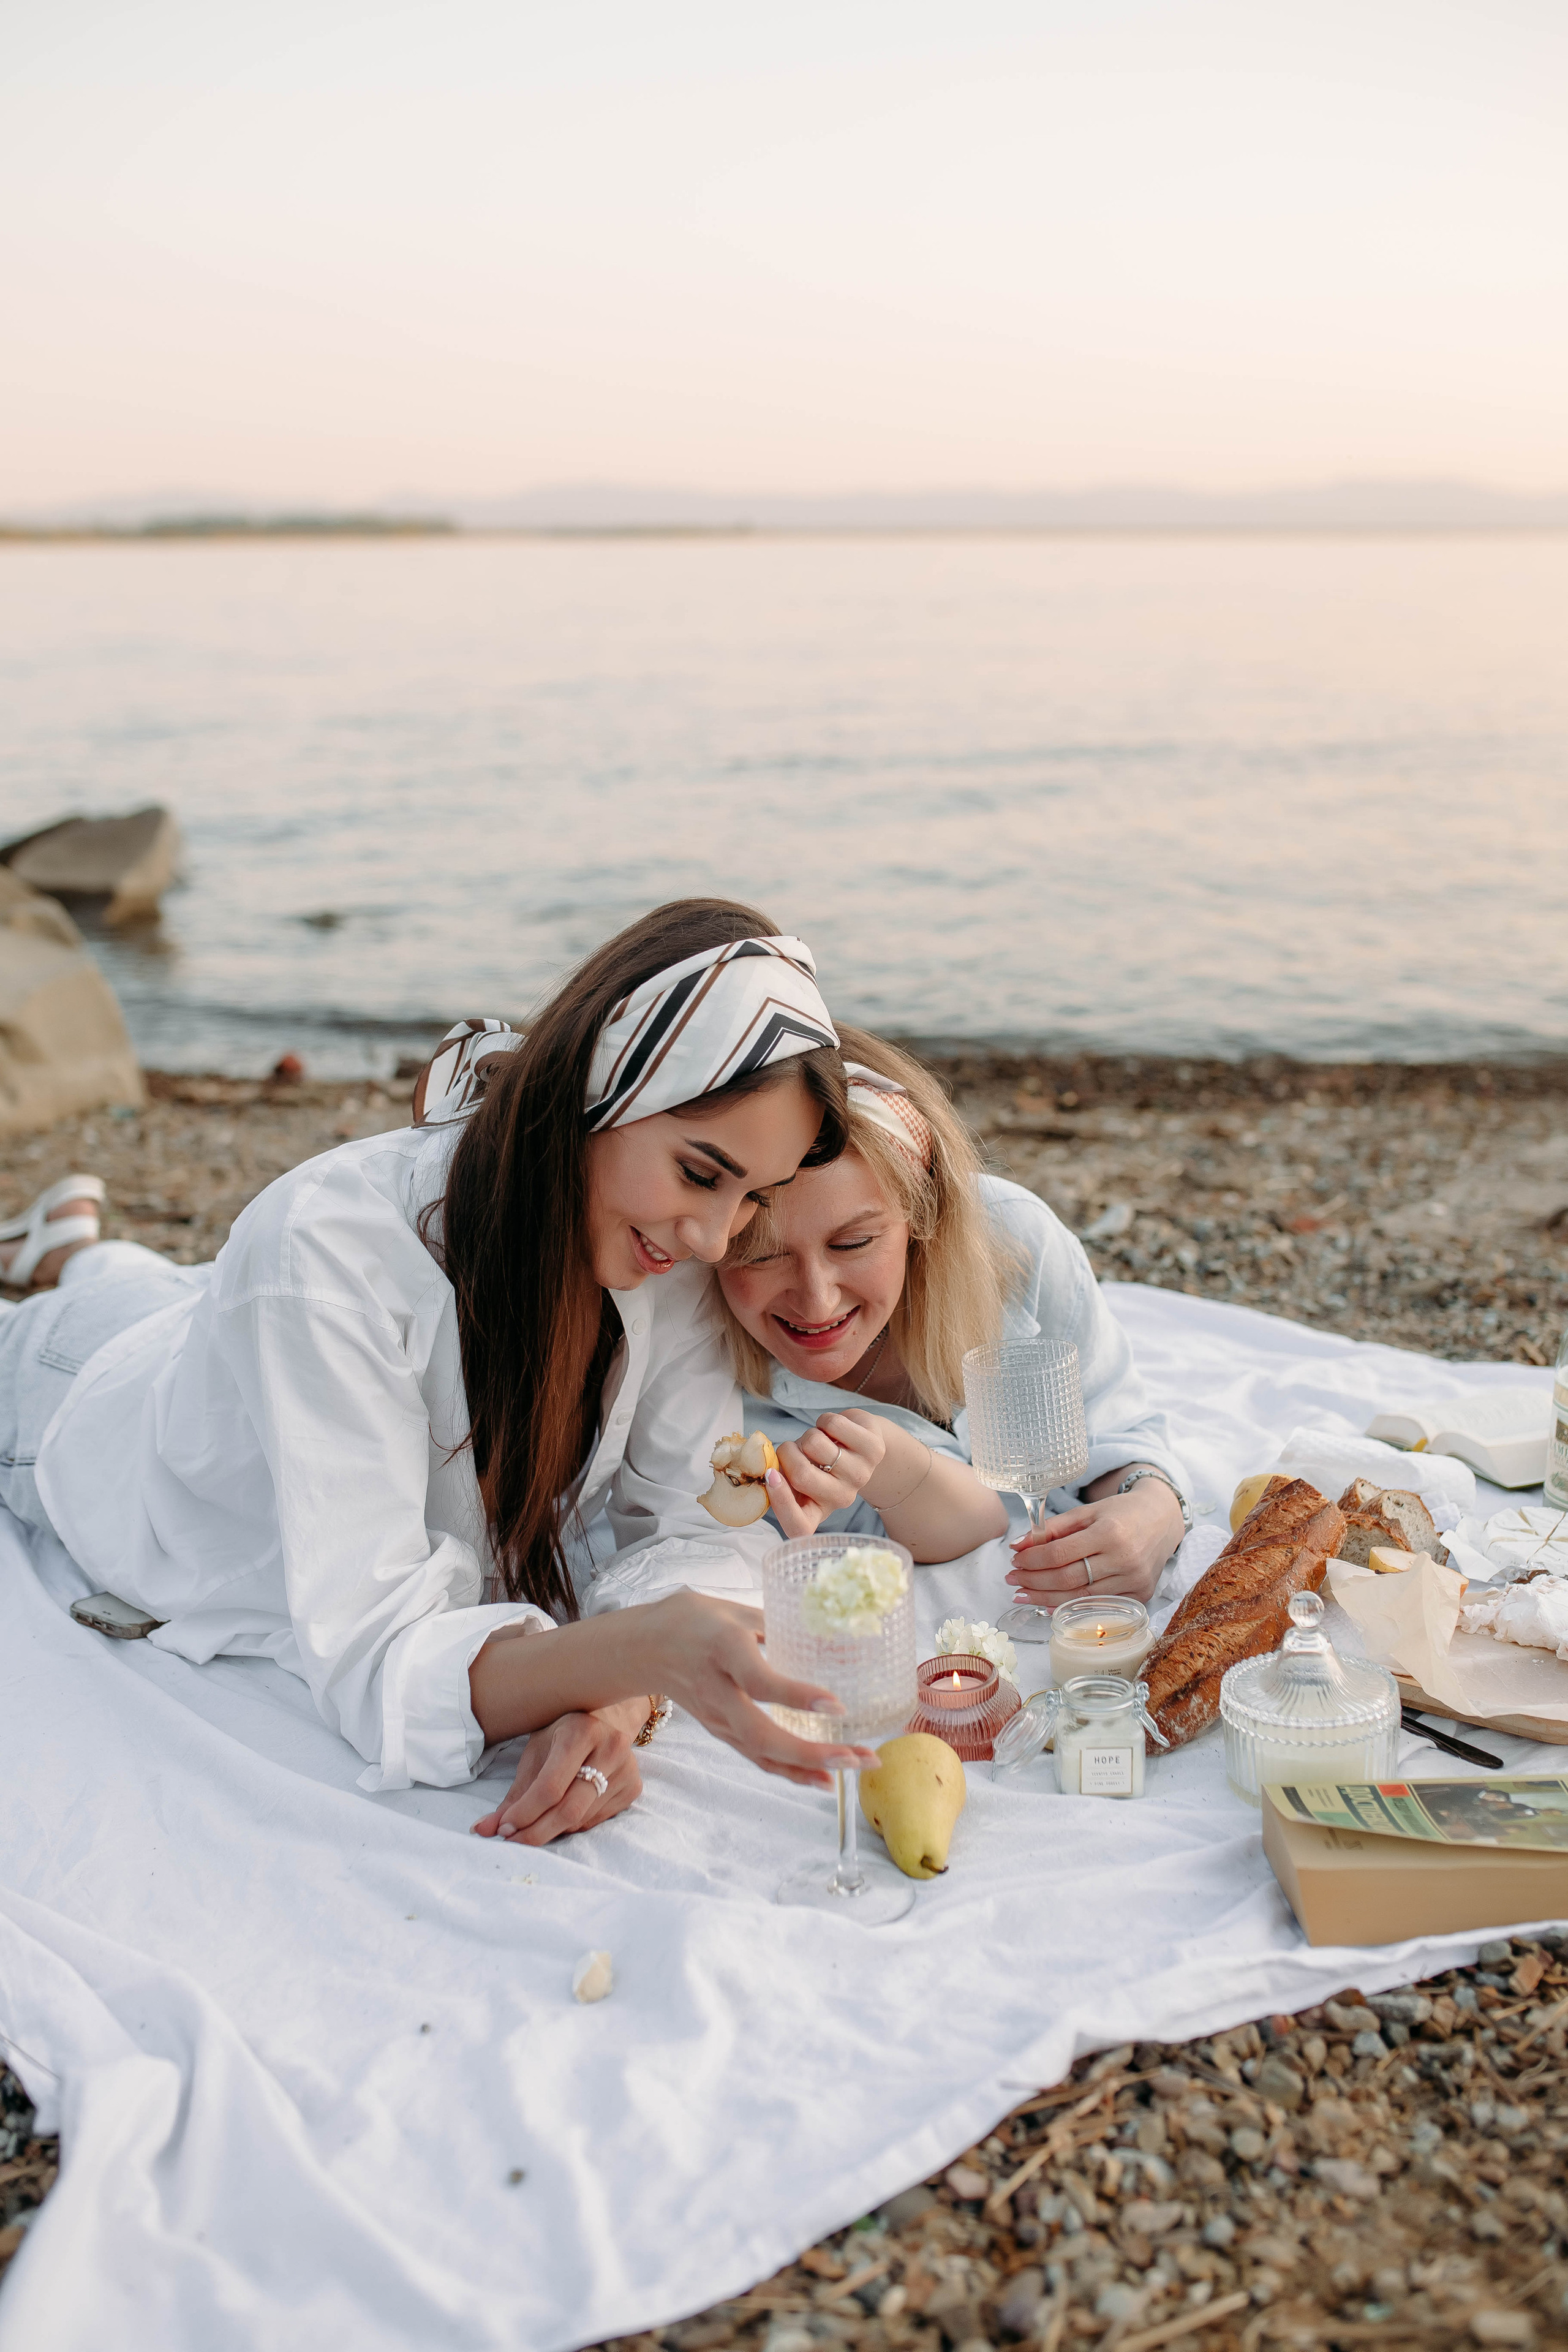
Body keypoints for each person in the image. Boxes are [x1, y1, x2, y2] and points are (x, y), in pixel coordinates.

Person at [0, 900, 878, 1845]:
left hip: (232, 1327)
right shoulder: (321, 1253)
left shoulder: (662, 1251)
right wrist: (634, 1649)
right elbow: (379, 1658)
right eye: (702, 1173)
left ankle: (75, 1243)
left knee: (176, 1292)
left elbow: (692, 1518)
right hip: (79, 1399)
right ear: (600, 1089)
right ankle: (69, 1264)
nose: (716, 1237)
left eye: (754, 1196)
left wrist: (613, 1696)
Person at [715, 1029, 1191, 1601]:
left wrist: (1155, 1508)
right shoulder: (699, 1369)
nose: (816, 1302)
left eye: (854, 1243)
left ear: (921, 1218)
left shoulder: (1014, 1243)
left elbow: (1115, 1429)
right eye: (763, 1255)